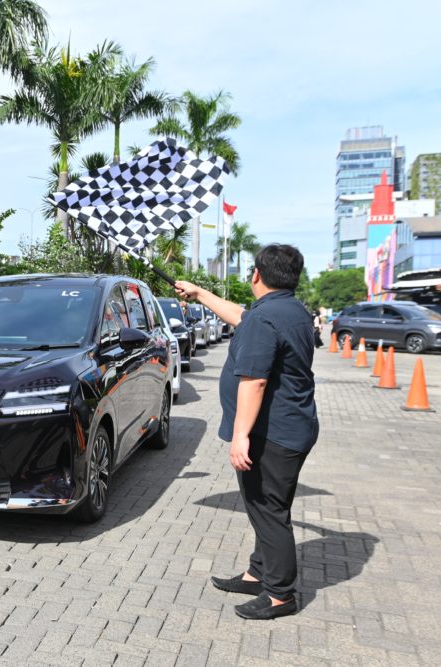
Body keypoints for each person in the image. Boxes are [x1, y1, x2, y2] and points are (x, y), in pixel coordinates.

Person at [175, 244, 318, 620]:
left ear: (256, 274)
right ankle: (258, 572)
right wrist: (201, 294)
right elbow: (240, 315)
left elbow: (253, 382)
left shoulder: (266, 318)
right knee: (266, 507)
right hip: (294, 427)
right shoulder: (290, 310)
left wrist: (240, 436)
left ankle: (280, 594)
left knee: (269, 511)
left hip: (273, 435)